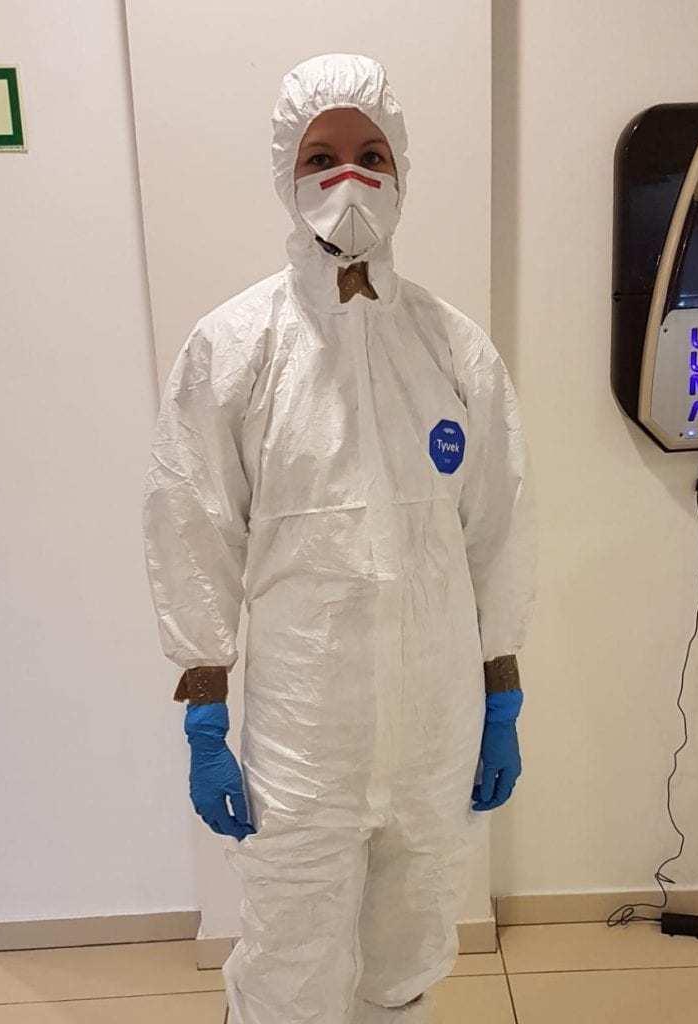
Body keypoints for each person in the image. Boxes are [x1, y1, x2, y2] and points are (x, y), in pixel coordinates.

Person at [142, 53, 535, 1024]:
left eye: (371, 153)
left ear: (401, 169)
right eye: (321, 157)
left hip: (434, 721)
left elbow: (498, 524)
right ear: (287, 172)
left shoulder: (453, 348)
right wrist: (204, 710)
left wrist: (501, 689)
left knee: (409, 945)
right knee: (292, 955)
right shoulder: (234, 348)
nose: (348, 177)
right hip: (303, 731)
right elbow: (191, 526)